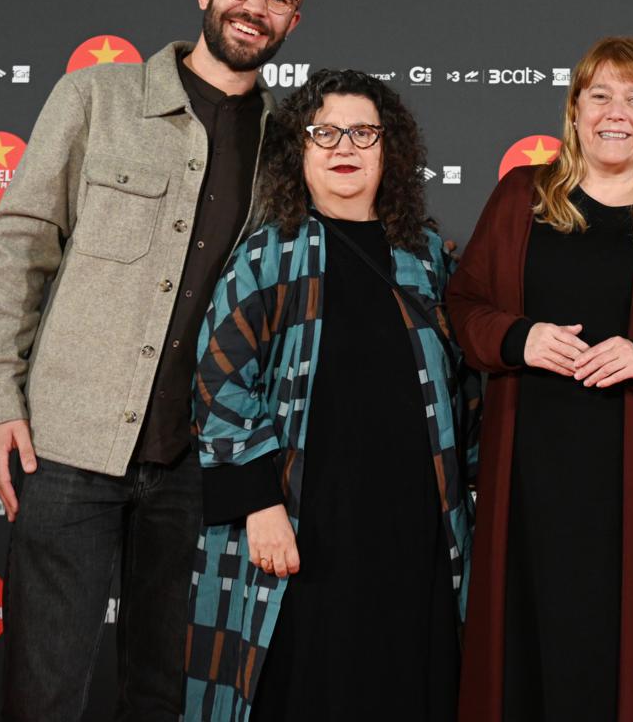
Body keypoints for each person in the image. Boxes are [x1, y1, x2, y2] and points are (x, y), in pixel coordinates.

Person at [0, 0, 305, 720]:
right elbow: (19, 244)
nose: (255, 6)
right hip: (68, 446)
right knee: (43, 695)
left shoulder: (289, 143)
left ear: (294, 20)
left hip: (199, 465)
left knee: (165, 698)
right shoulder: (97, 96)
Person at [447, 36, 633, 722]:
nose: (617, 112)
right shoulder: (520, 197)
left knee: (625, 668)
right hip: (528, 480)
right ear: (576, 110)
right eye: (601, 95)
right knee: (522, 659)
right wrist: (520, 338)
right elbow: (463, 307)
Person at [183, 69, 475, 721]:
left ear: (389, 149)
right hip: (301, 526)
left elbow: (465, 383)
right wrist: (258, 503)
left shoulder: (426, 257)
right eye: (326, 132)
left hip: (412, 530)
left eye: (364, 132)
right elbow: (218, 379)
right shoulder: (267, 255)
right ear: (300, 149)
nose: (345, 146)